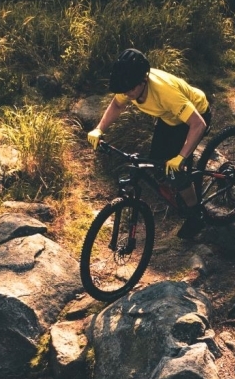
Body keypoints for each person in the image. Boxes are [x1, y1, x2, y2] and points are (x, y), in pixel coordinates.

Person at [88, 48, 211, 237]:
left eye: (131, 89)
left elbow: (198, 124)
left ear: (144, 80)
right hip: (170, 118)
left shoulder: (165, 92)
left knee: (176, 172)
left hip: (196, 115)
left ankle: (196, 214)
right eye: (124, 90)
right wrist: (99, 129)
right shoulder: (129, 84)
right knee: (158, 165)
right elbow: (117, 104)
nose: (127, 93)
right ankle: (180, 195)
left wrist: (181, 157)